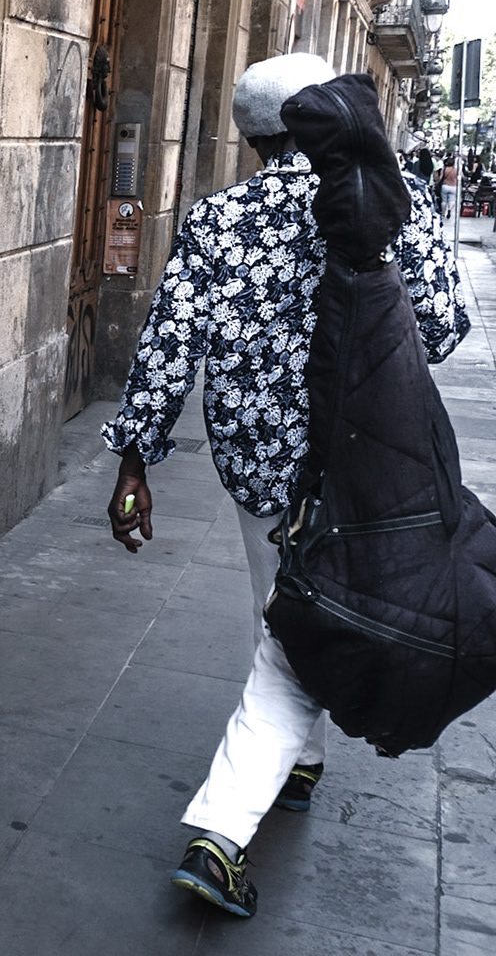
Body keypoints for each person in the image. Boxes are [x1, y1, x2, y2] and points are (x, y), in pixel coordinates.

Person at [102, 52, 469, 917]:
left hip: (261, 470)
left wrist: (133, 464)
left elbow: (167, 344)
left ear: (252, 136)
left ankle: (292, 768)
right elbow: (446, 327)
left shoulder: (217, 218)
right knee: (295, 634)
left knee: (283, 611)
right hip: (366, 469)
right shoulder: (384, 202)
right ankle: (221, 830)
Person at [442, 153, 462, 218]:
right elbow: (461, 177)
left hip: (445, 185)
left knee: (444, 201)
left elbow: (440, 177)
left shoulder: (444, 169)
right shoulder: (456, 170)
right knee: (452, 200)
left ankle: (443, 213)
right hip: (453, 186)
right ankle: (449, 210)